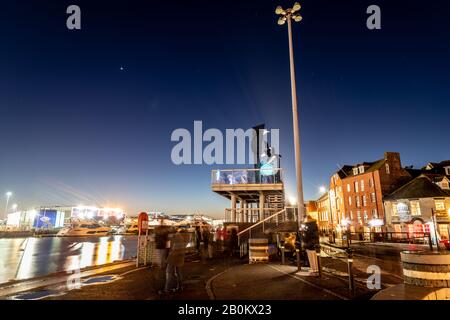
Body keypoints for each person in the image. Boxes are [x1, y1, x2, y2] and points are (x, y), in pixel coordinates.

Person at [159, 229, 187, 294]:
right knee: (179, 273)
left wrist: (168, 258)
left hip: (174, 257)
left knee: (169, 272)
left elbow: (172, 249)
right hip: (180, 257)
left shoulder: (174, 237)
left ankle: (167, 289)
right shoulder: (180, 237)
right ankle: (180, 286)